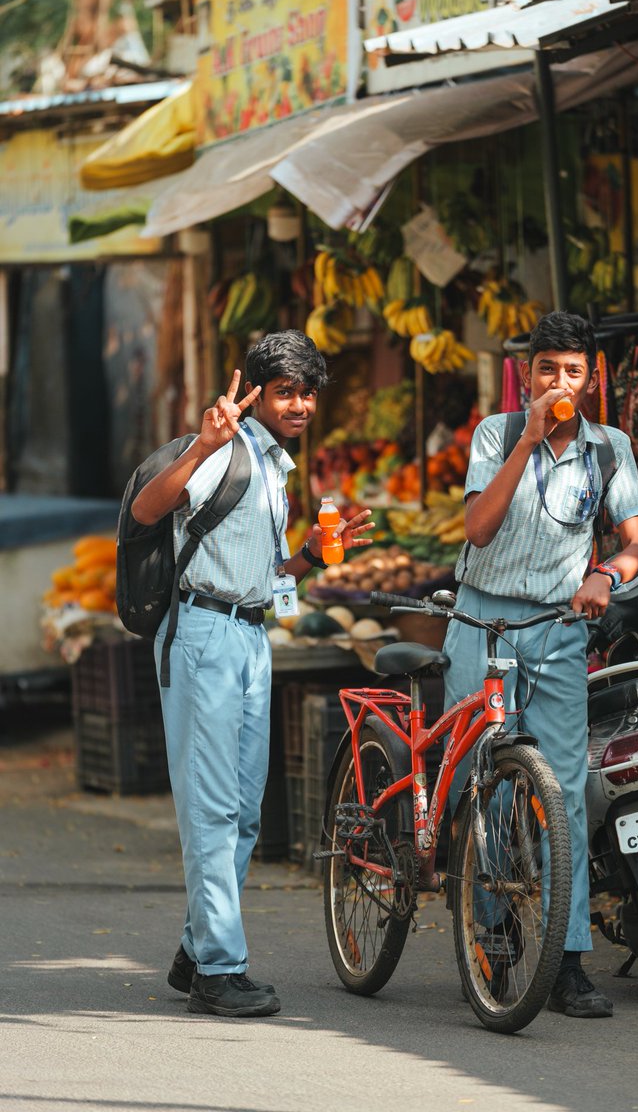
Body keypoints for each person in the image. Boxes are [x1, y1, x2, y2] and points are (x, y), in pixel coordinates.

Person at [131, 330, 373, 1018]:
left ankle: (196, 948)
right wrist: (204, 444)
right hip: (203, 633)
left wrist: (311, 560)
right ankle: (219, 970)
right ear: (258, 395)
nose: (299, 405)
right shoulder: (226, 451)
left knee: (240, 812)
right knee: (211, 808)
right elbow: (150, 509)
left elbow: (263, 573)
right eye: (285, 392)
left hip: (248, 634)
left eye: (307, 393)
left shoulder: (275, 466)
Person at [444, 311, 638, 1018]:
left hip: (559, 632)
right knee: (488, 788)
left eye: (572, 371)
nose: (558, 383)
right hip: (483, 624)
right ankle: (495, 941)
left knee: (559, 795)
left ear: (590, 379)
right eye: (545, 370)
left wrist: (608, 576)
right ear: (526, 375)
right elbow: (477, 527)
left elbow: (637, 544)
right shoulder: (497, 434)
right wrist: (528, 440)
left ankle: (566, 961)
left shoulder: (610, 449)